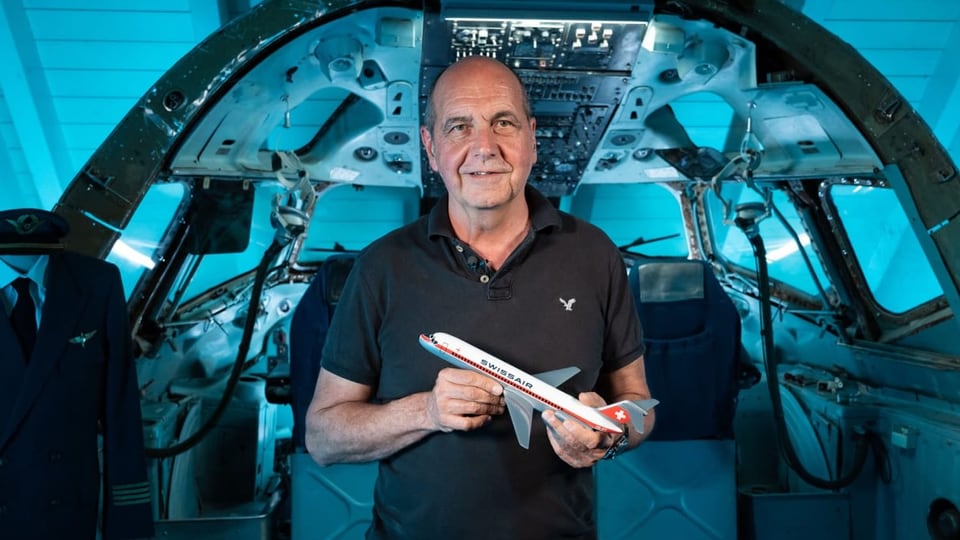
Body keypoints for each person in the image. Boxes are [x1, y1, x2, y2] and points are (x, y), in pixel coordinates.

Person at [305, 55, 655, 540]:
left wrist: (606, 437)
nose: (484, 148)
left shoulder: (595, 254)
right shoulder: (381, 266)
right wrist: (425, 411)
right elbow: (323, 439)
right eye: (459, 127)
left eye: (503, 123)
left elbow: (638, 404)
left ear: (532, 137)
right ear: (430, 147)